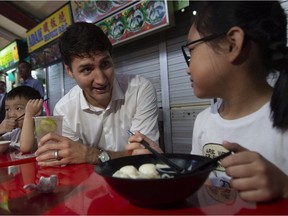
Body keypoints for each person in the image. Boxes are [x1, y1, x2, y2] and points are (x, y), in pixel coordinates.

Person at [127, 1, 288, 203]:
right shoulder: (205, 120)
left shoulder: (282, 122)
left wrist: (283, 186)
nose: (187, 68)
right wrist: (163, 161)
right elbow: (200, 184)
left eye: (192, 50)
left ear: (233, 44)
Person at [34, 22, 159, 166]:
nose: (101, 80)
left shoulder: (139, 90)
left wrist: (91, 154)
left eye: (105, 64)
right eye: (87, 69)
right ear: (69, 71)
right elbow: (74, 160)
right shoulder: (64, 110)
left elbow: (145, 155)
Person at [0, 86, 42, 150]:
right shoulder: (15, 133)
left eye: (18, 108)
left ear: (37, 110)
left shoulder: (41, 131)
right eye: (7, 109)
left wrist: (29, 115)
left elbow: (26, 147)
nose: (11, 114)